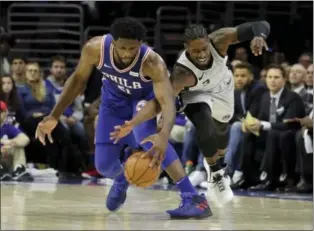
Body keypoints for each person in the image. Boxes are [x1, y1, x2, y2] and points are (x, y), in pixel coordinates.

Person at [35, 17, 211, 219]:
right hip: (113, 106)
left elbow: (167, 101)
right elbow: (77, 80)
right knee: (103, 165)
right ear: (113, 41)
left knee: (150, 140)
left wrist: (163, 135)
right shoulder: (95, 48)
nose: (127, 53)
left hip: (143, 105)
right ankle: (123, 178)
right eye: (122, 48)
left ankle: (193, 198)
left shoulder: (153, 62)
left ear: (141, 44)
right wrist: (54, 115)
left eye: (132, 49)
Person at [111, 21, 270, 205]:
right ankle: (216, 175)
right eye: (195, 51)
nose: (201, 54)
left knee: (220, 139)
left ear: (209, 43)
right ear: (186, 48)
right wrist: (134, 122)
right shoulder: (181, 73)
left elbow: (261, 24)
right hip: (195, 94)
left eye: (204, 49)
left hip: (221, 88)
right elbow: (160, 102)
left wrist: (259, 36)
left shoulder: (220, 39)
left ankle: (216, 168)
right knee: (203, 123)